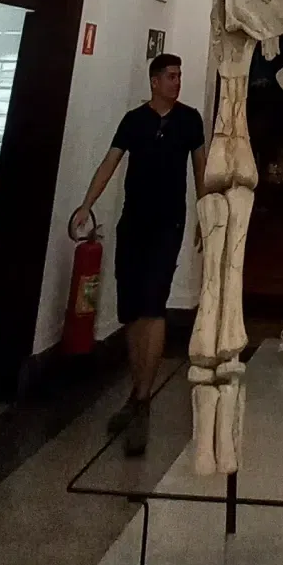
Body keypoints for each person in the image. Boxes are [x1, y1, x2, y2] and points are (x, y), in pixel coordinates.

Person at [70, 53, 206, 454]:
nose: (177, 82)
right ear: (154, 81)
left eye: (180, 75)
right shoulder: (134, 121)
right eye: (171, 76)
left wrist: (205, 213)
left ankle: (144, 399)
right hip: (134, 224)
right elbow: (109, 163)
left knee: (154, 305)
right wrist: (86, 203)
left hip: (169, 225)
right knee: (132, 309)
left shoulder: (189, 120)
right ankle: (137, 391)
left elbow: (201, 170)